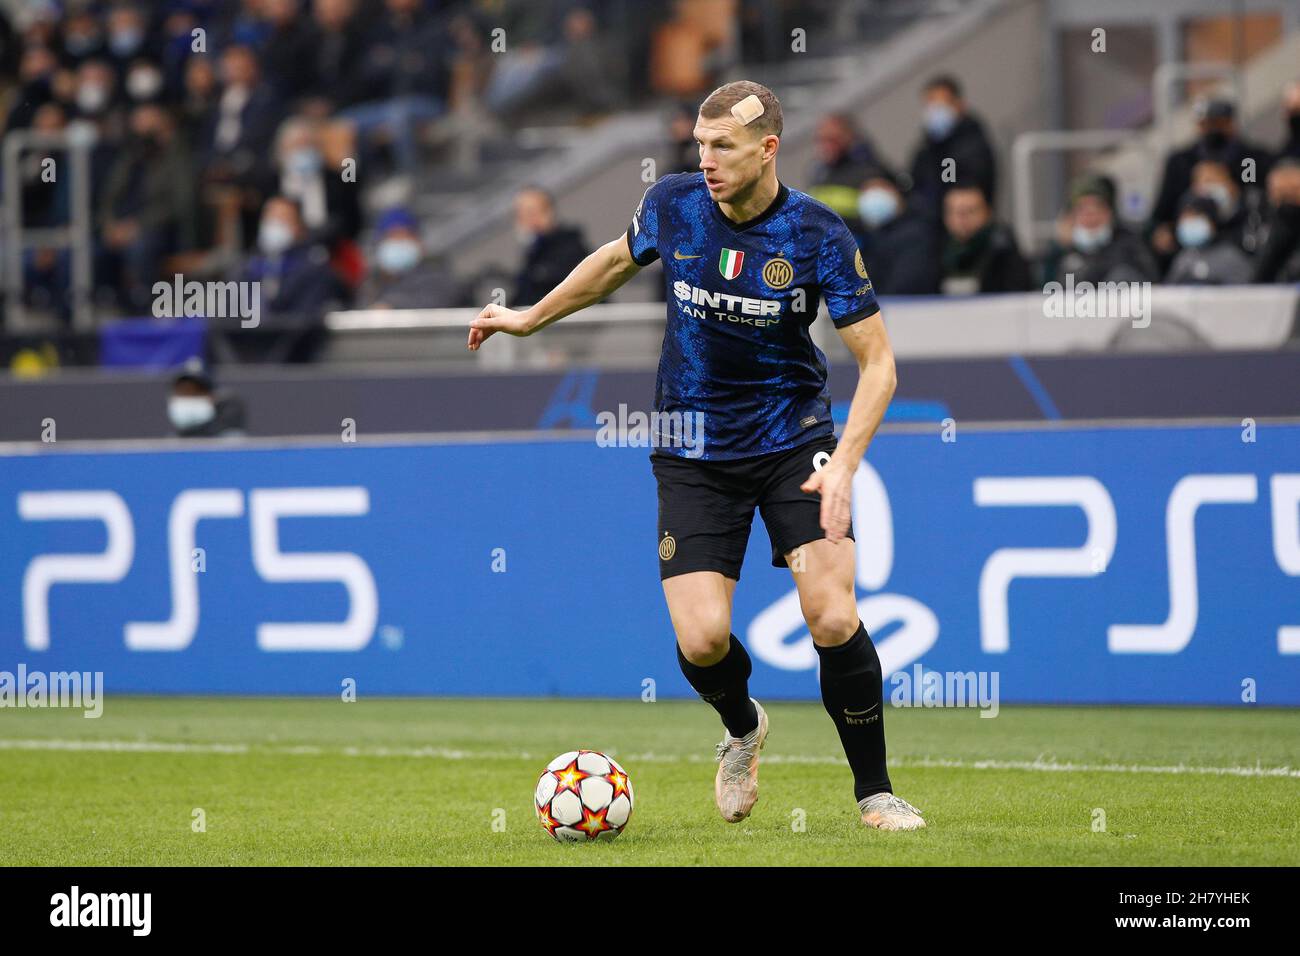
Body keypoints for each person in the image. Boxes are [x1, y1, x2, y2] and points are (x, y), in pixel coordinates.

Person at [469, 81, 924, 833]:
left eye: (724, 148)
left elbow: (879, 364)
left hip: (794, 444)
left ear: (768, 150)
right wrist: (528, 318)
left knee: (833, 615)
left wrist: (841, 465)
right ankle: (743, 729)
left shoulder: (817, 235)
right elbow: (615, 262)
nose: (705, 161)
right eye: (700, 145)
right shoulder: (675, 203)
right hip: (693, 447)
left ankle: (874, 792)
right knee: (703, 638)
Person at [1149, 97, 1273, 263]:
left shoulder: (1250, 159)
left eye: (1217, 123)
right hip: (1189, 245)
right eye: (1206, 124)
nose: (1212, 130)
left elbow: (1257, 203)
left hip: (1240, 242)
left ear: (1230, 124)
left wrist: (1232, 192)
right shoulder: (1181, 161)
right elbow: (1162, 214)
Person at [907, 75, 996, 223]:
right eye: (929, 105)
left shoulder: (971, 146)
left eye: (940, 104)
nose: (933, 111)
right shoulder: (927, 147)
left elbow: (952, 185)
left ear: (959, 105)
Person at [1052, 177, 1158, 285]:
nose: (1090, 216)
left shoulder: (1130, 247)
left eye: (1096, 208)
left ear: (1109, 213)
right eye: (1082, 209)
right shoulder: (1067, 255)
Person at [852, 167, 940, 294]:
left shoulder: (916, 234)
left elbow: (907, 284)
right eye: (866, 190)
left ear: (897, 192)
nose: (873, 196)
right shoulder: (866, 236)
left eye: (880, 188)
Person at [939, 183, 1033, 294]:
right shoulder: (932, 250)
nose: (962, 219)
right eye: (956, 212)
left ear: (987, 213)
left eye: (970, 211)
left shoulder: (1003, 250)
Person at [511, 186, 589, 307]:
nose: (525, 220)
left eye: (531, 212)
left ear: (548, 212)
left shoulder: (570, 246)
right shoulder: (532, 253)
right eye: (520, 214)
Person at [1164, 195, 1253, 285]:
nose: (1190, 221)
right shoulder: (1183, 258)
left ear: (1212, 221)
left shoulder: (1232, 258)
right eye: (1185, 217)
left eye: (1196, 216)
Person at [168, 363, 247, 438]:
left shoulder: (233, 443)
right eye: (182, 393)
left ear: (212, 397)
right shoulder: (169, 444)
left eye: (195, 392)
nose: (188, 398)